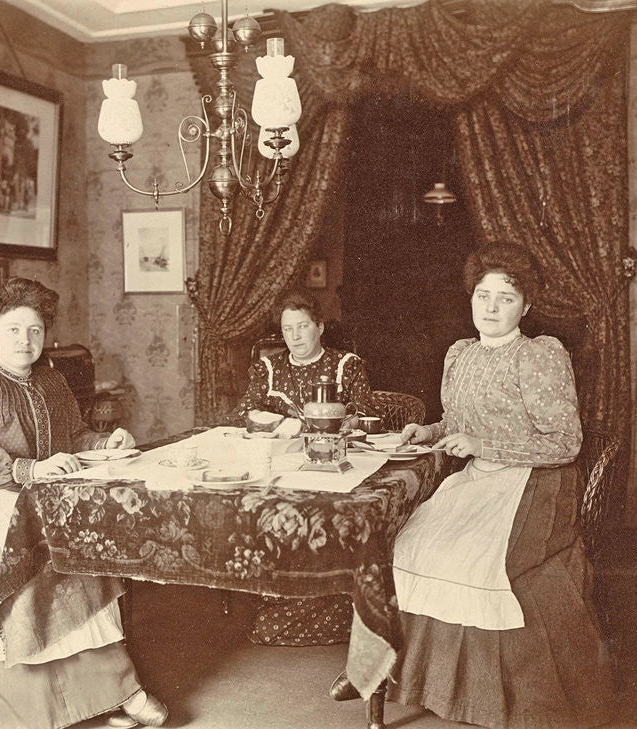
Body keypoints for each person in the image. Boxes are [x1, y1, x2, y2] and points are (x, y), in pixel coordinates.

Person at [331, 245, 612, 729]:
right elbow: (456, 421)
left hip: (534, 481)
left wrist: (480, 442)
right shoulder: (460, 354)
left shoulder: (540, 354)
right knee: (403, 545)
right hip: (478, 478)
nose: (491, 307)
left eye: (505, 298)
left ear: (526, 306)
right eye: (483, 295)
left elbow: (565, 443)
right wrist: (430, 432)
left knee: (466, 557)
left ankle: (484, 697)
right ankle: (382, 672)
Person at [0, 277, 167, 729]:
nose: (25, 341)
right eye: (14, 330)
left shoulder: (53, 381)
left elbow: (74, 437)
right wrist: (29, 470)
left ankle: (104, 695)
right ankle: (115, 694)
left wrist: (106, 444)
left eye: (35, 330)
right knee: (43, 559)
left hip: (39, 497)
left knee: (81, 553)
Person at [232, 290, 374, 647]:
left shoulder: (346, 365)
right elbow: (244, 413)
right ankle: (285, 595)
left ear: (320, 326)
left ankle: (331, 602)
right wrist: (279, 425)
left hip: (331, 465)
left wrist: (334, 425)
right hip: (283, 462)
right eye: (287, 328)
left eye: (303, 327)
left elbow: (368, 415)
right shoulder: (268, 368)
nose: (294, 336)